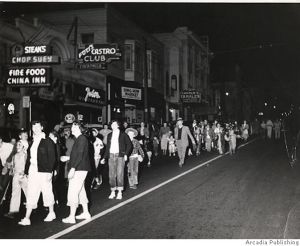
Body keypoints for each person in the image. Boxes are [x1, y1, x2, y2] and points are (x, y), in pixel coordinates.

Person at [19, 121, 56, 226]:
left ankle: (52, 212)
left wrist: (50, 172)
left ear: (42, 127)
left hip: (44, 171)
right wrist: (27, 171)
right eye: (33, 127)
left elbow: (52, 158)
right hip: (33, 170)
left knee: (47, 191)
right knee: (31, 192)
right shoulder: (32, 141)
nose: (35, 129)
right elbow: (29, 158)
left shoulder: (48, 141)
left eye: (37, 127)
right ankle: (27, 218)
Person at [60, 121, 92, 224]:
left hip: (79, 169)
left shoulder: (81, 138)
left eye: (73, 127)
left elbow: (80, 155)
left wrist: (73, 168)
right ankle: (86, 212)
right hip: (81, 168)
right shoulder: (79, 139)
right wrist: (68, 157)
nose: (71, 129)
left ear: (79, 128)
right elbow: (79, 155)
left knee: (73, 191)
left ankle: (71, 216)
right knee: (81, 191)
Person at [102, 120, 132, 200]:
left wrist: (126, 154)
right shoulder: (109, 135)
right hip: (111, 156)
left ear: (118, 125)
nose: (112, 125)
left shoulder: (123, 134)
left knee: (119, 174)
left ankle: (119, 192)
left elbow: (129, 145)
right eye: (111, 124)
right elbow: (108, 147)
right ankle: (112, 191)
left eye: (114, 124)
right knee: (111, 175)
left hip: (120, 156)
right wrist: (104, 158)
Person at [4, 140, 28, 219]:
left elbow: (27, 165)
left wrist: (25, 174)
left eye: (20, 145)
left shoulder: (25, 155)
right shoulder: (14, 155)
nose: (18, 146)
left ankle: (31, 208)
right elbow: (13, 166)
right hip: (16, 176)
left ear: (24, 146)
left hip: (23, 176)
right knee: (15, 193)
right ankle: (13, 210)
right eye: (17, 144)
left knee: (28, 192)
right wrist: (11, 168)